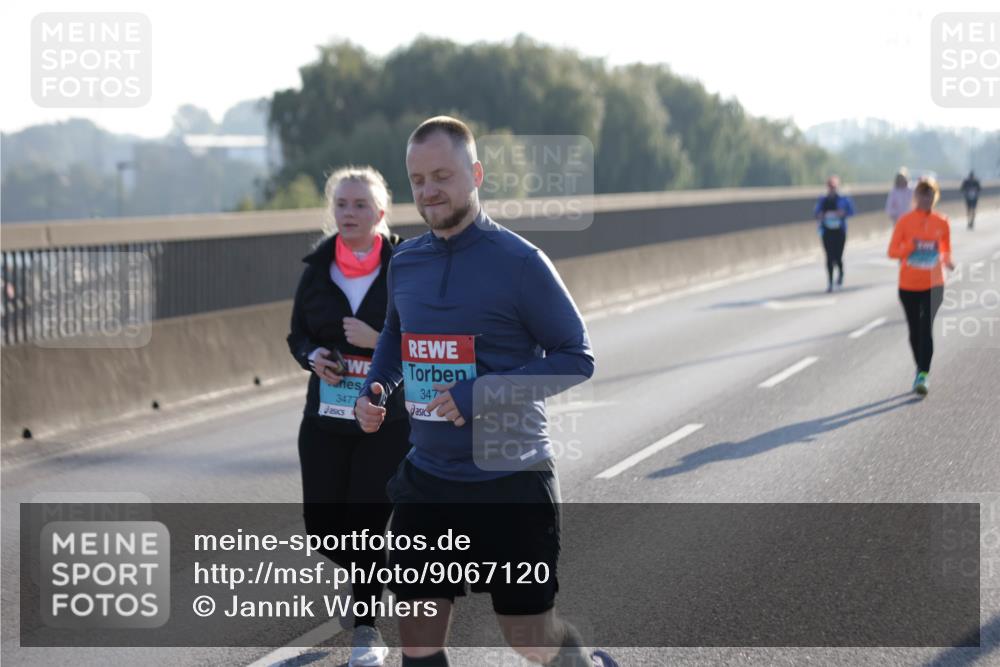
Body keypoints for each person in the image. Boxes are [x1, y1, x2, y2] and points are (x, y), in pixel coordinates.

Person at [354, 116, 615, 667]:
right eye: (418, 179)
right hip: (429, 480)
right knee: (418, 641)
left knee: (528, 638)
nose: (428, 191)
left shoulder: (520, 263)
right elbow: (399, 335)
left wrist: (482, 393)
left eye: (442, 176)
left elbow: (577, 357)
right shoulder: (406, 261)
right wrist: (376, 388)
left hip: (511, 479)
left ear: (475, 174)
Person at [287, 166, 411, 667]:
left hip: (385, 419)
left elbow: (422, 333)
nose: (350, 213)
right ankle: (371, 575)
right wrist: (312, 357)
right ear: (332, 211)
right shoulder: (317, 269)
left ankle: (366, 630)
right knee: (321, 524)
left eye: (362, 205)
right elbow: (297, 334)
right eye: (342, 204)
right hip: (324, 418)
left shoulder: (405, 265)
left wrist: (376, 338)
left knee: (365, 518)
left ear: (381, 213)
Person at [887, 177, 955, 396]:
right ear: (916, 196)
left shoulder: (942, 222)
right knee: (914, 332)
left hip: (934, 284)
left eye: (931, 194)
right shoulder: (905, 222)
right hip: (908, 285)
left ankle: (923, 374)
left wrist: (947, 261)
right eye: (923, 194)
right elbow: (892, 252)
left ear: (935, 197)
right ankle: (920, 368)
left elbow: (945, 249)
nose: (927, 198)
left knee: (926, 329)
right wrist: (909, 247)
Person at [814, 175, 855, 292]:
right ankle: (830, 282)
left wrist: (842, 213)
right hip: (826, 231)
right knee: (829, 257)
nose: (832, 189)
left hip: (839, 231)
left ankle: (841, 273)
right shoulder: (823, 199)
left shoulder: (843, 198)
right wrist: (820, 215)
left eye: (834, 186)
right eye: (830, 186)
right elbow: (816, 213)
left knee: (838, 256)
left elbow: (851, 211)